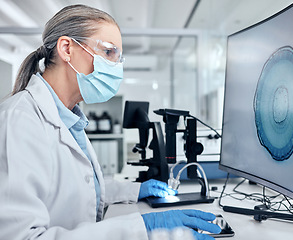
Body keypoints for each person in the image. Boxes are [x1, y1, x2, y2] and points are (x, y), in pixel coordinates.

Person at [0, 4, 221, 240]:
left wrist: (136, 190)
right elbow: (21, 236)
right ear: (67, 48)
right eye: (109, 52)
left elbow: (80, 188)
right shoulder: (20, 120)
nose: (116, 67)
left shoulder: (68, 116)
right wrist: (141, 229)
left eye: (118, 57)